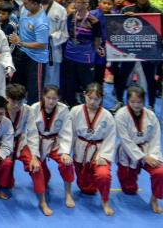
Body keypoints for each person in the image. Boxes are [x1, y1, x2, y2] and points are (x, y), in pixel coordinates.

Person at [23, 84, 76, 215]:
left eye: (54, 98)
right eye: (48, 97)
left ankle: (68, 193)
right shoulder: (34, 108)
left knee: (67, 163)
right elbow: (31, 133)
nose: (51, 101)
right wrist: (34, 156)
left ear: (59, 98)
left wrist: (65, 152)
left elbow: (67, 131)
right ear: (43, 97)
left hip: (54, 142)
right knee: (37, 168)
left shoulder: (63, 110)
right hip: (36, 141)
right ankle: (42, 201)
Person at [67, 83, 116, 215]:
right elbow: (69, 133)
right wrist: (66, 152)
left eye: (96, 99)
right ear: (84, 95)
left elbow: (110, 138)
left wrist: (104, 157)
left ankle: (105, 201)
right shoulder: (75, 111)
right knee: (85, 188)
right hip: (81, 150)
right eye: (90, 97)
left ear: (102, 99)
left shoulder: (107, 116)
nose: (93, 101)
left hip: (99, 151)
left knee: (103, 175)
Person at [114, 85, 162, 213]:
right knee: (129, 190)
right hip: (127, 151)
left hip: (147, 149)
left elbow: (155, 137)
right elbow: (124, 139)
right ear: (127, 101)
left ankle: (154, 200)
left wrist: (152, 156)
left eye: (139, 102)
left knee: (160, 172)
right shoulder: (121, 115)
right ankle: (124, 176)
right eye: (132, 101)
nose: (136, 105)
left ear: (144, 101)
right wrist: (142, 157)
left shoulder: (151, 115)